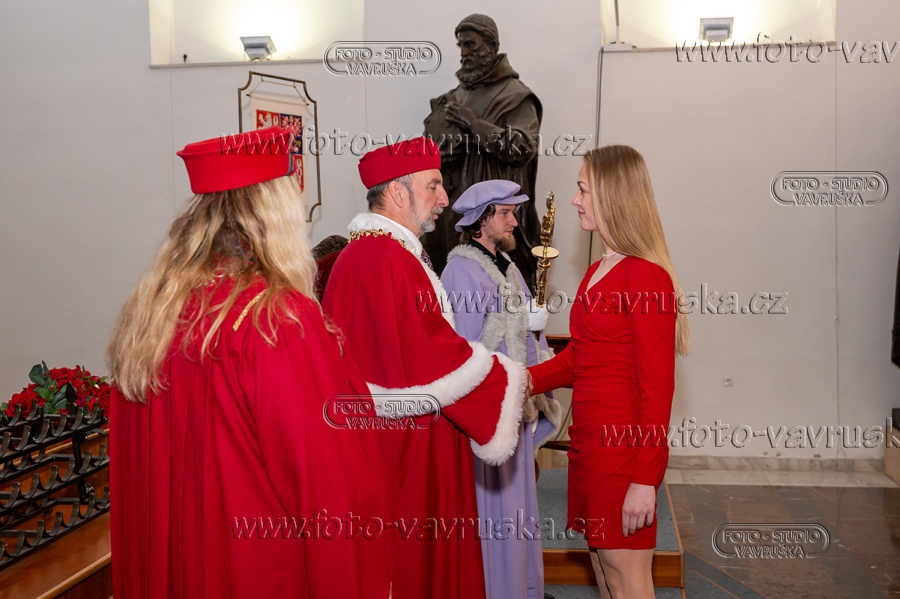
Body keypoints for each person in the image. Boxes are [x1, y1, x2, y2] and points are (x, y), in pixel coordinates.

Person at [107, 126, 391, 598]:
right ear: (275, 215)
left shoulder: (150, 316)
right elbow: (326, 483)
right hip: (257, 572)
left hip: (179, 570)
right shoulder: (277, 319)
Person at [322, 137, 526, 599]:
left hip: (396, 436)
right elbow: (432, 357)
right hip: (406, 449)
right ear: (398, 193)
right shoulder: (385, 258)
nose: (445, 198)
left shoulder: (379, 253)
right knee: (417, 566)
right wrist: (509, 378)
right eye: (433, 185)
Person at [527, 145, 691, 599]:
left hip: (623, 456)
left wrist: (645, 480)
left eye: (583, 190)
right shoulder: (598, 270)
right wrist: (525, 380)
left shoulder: (646, 277)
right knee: (605, 573)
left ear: (611, 195)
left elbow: (658, 390)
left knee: (627, 580)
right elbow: (582, 357)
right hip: (591, 449)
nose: (575, 200)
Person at [441, 180, 562, 599]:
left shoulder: (506, 265)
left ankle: (524, 589)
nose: (514, 222)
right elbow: (464, 350)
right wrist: (519, 319)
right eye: (506, 214)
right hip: (489, 415)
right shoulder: (460, 270)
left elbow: (522, 331)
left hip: (516, 405)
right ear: (482, 219)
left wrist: (534, 322)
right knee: (496, 512)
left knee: (520, 506)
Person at [423, 13, 543, 283]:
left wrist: (474, 125)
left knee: (495, 294)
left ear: (492, 45)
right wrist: (438, 156)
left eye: (471, 44)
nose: (464, 53)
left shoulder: (515, 96)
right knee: (448, 291)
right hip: (447, 216)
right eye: (461, 46)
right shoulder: (452, 98)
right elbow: (429, 149)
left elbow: (523, 147)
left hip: (492, 220)